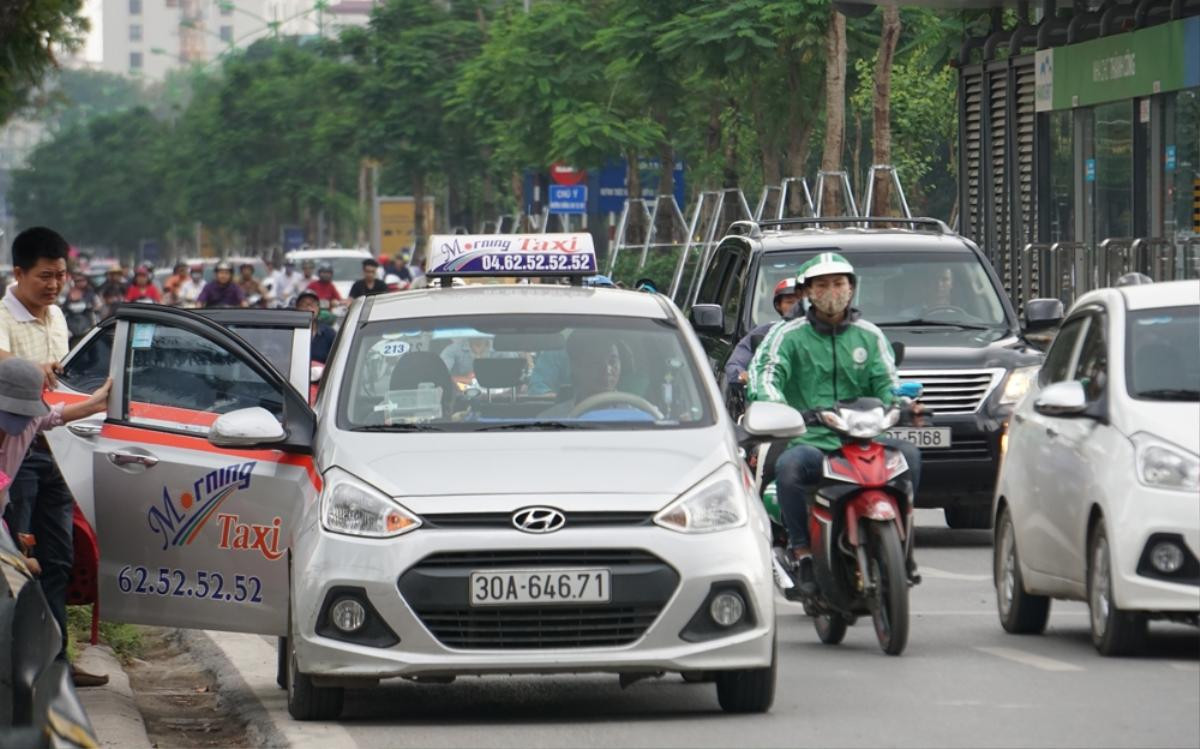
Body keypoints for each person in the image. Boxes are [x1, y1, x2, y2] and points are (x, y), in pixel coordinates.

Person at [747, 252, 922, 596]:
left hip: (865, 439)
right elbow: (766, 374)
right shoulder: (787, 336)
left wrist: (902, 405)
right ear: (808, 292)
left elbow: (887, 382)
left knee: (910, 457)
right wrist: (778, 407)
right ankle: (802, 552)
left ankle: (903, 547)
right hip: (812, 439)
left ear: (852, 289)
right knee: (790, 468)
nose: (832, 291)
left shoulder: (869, 336)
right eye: (823, 285)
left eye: (839, 283)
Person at [0, 226, 108, 687]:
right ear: (19, 273)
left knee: (58, 560)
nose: (54, 284)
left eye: (61, 275)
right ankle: (16, 667)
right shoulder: (1, 316)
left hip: (55, 448)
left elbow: (50, 411)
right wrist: (28, 370)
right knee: (16, 564)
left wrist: (98, 403)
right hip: (11, 457)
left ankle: (56, 660)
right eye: (45, 276)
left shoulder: (59, 317)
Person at [1, 358, 110, 570]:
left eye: (25, 414)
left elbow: (54, 417)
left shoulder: (31, 421)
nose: (20, 421)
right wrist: (18, 560)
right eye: (12, 413)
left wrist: (94, 405)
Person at [725, 277, 803, 386]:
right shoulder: (764, 333)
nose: (795, 306)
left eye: (800, 301)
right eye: (789, 302)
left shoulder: (825, 331)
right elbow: (734, 366)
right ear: (778, 306)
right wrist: (746, 376)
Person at [538, 329, 625, 418]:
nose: (607, 370)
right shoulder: (550, 420)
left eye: (612, 361)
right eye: (595, 362)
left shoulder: (637, 418)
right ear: (575, 366)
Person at [294, 290, 336, 364]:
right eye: (304, 305)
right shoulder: (290, 331)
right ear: (297, 308)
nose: (309, 308)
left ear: (318, 308)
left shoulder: (329, 333)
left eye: (312, 304)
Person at [62, 273, 100, 346]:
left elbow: (98, 306)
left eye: (82, 280)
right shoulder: (67, 294)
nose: (80, 282)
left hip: (88, 326)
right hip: (72, 329)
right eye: (77, 281)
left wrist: (91, 308)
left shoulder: (91, 293)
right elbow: (63, 310)